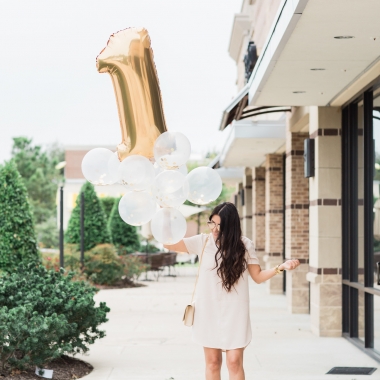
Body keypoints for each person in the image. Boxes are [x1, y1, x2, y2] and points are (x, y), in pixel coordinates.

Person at [164, 202, 300, 380]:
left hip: (235, 312)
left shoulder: (245, 245)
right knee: (213, 362)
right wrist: (165, 216)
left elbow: (257, 276)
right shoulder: (202, 242)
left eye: (220, 226)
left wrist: (279, 268)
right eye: (212, 223)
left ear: (231, 226)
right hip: (208, 310)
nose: (214, 229)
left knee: (234, 362)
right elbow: (170, 245)